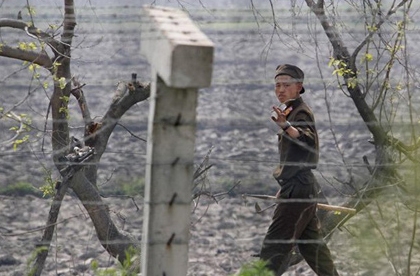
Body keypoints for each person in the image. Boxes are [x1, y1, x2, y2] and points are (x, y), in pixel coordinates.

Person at [259, 64, 340, 275]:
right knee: (312, 247)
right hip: (300, 187)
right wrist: (286, 183)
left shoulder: (300, 112)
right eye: (277, 85)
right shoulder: (289, 111)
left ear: (299, 87)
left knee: (274, 246)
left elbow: (306, 140)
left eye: (286, 85)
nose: (280, 90)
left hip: (298, 189)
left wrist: (286, 126)